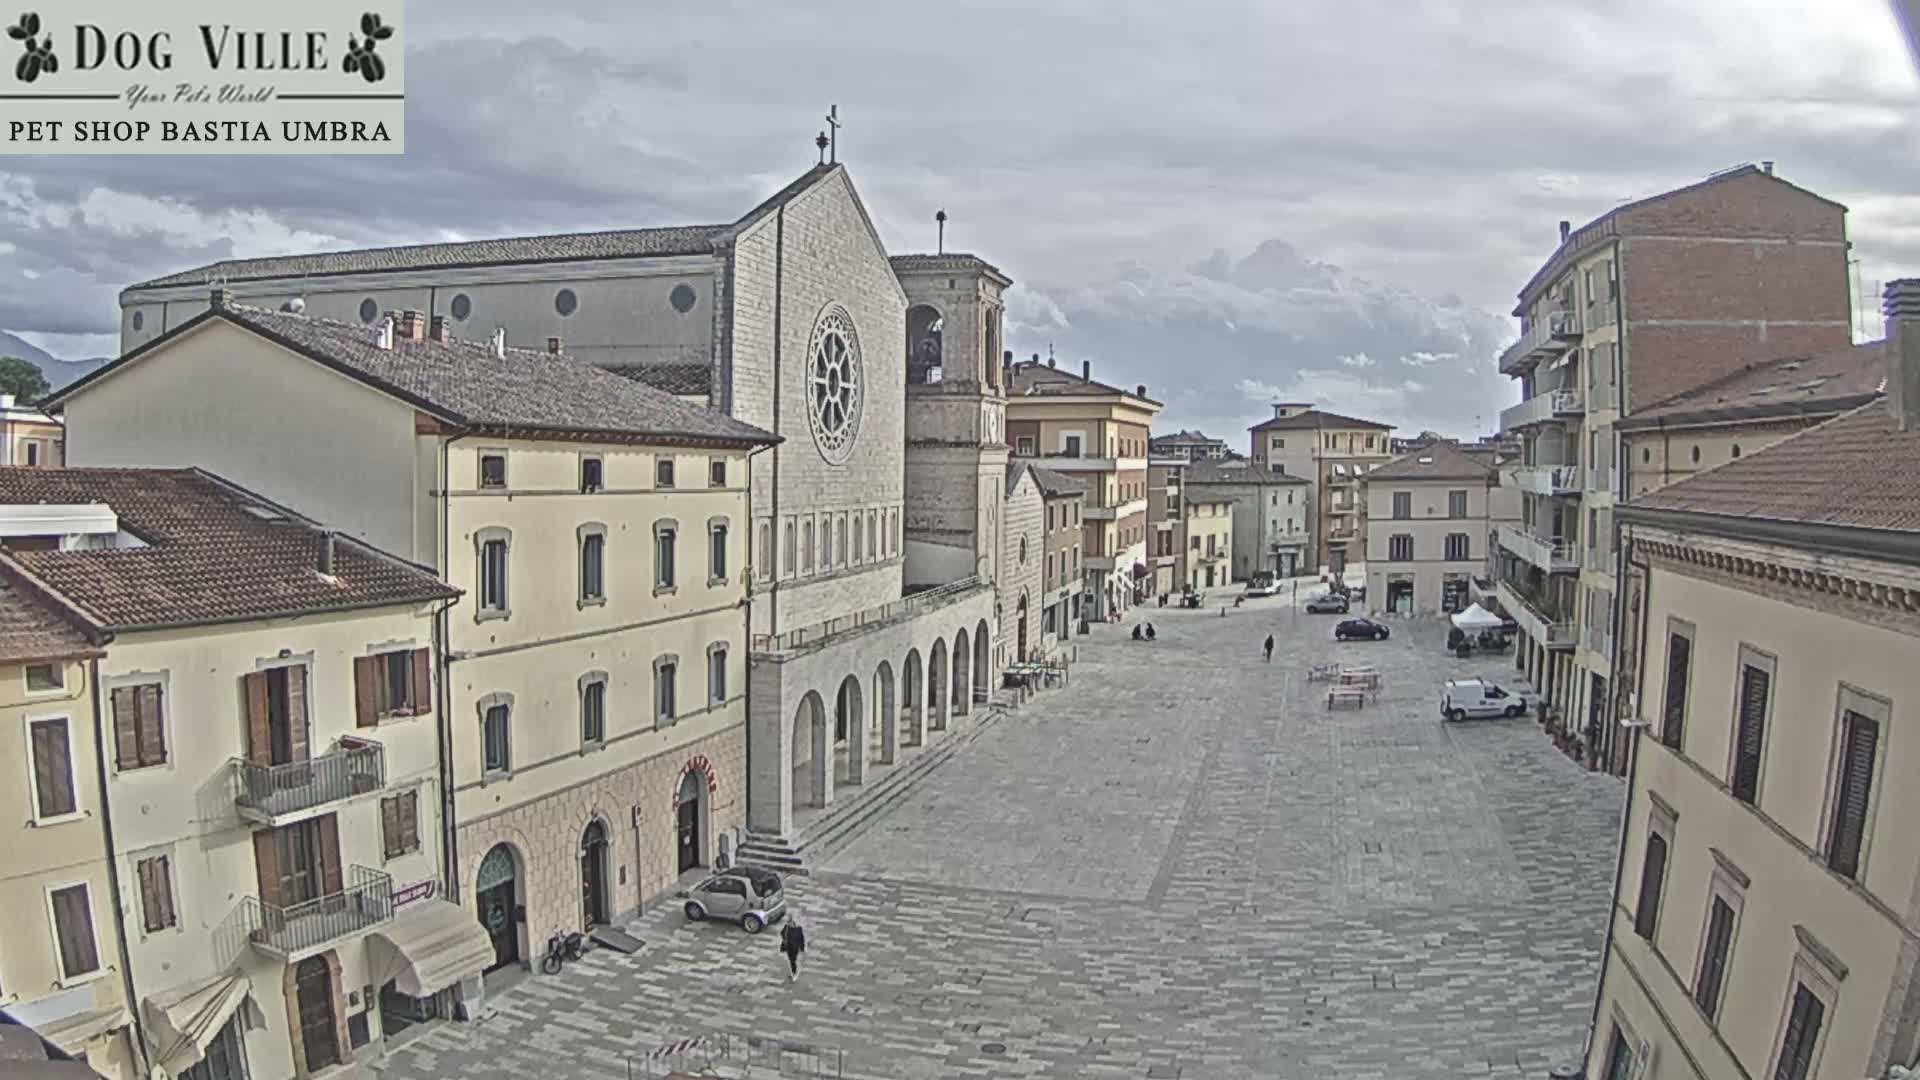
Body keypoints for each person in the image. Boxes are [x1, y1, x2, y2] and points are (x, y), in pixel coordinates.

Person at [780, 914, 807, 981]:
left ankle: (794, 973)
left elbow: (801, 939)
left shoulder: (798, 929)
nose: (789, 924)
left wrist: (802, 948)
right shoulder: (786, 928)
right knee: (791, 960)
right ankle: (793, 972)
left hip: (795, 948)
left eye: (790, 922)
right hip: (788, 947)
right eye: (788, 922)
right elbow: (782, 933)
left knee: (793, 960)